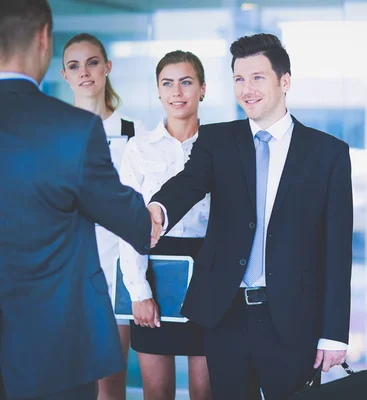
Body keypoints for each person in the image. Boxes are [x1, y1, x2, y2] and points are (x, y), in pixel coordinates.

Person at [147, 33, 353, 399]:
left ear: (284, 81)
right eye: (239, 79)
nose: (247, 89)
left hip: (293, 320)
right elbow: (188, 184)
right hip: (225, 315)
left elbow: (338, 251)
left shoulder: (328, 154)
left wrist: (334, 332)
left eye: (257, 77)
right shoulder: (216, 141)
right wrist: (157, 210)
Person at [0, 1, 159, 399]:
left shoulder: (121, 130)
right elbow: (124, 213)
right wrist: (150, 218)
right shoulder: (72, 129)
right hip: (55, 330)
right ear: (43, 40)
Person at [118, 50, 211, 400]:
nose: (177, 92)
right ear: (158, 91)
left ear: (202, 88)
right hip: (153, 271)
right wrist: (138, 292)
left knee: (207, 392)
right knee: (157, 393)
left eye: (186, 82)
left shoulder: (221, 147)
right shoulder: (138, 149)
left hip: (208, 275)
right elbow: (128, 226)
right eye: (167, 83)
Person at [61, 32, 144, 400]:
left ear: (107, 67)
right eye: (74, 66)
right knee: (69, 383)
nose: (84, 73)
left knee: (111, 387)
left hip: (116, 271)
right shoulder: (54, 131)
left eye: (92, 62)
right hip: (65, 273)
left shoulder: (134, 134)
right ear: (65, 75)